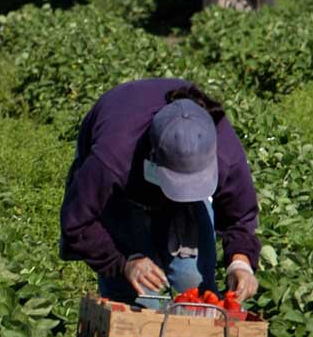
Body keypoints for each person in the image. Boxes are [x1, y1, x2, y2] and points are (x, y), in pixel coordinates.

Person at [59, 78, 260, 306]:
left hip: (180, 198)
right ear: (153, 158)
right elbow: (77, 223)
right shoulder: (112, 158)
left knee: (194, 284)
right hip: (124, 193)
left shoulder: (224, 152)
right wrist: (124, 262)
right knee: (140, 296)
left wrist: (240, 263)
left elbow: (240, 216)